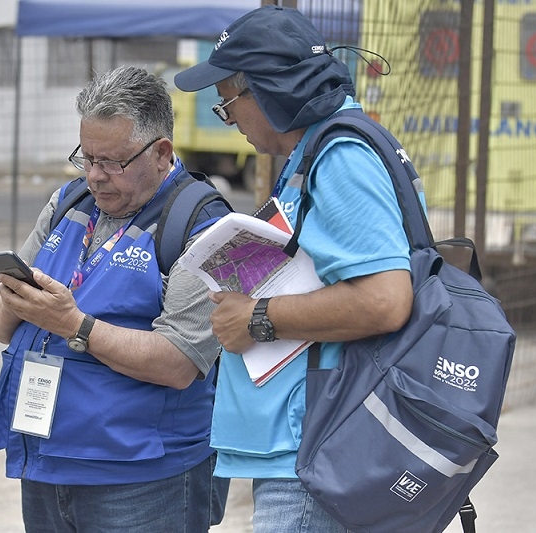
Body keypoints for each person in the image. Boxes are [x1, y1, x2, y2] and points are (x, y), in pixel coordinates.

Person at [174, 6, 416, 533]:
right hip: (309, 444)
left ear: (268, 89)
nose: (228, 116)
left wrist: (257, 317)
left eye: (228, 102)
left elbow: (384, 299)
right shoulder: (315, 154)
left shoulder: (340, 156)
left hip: (316, 449)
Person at [0, 65, 231, 533]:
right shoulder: (68, 203)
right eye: (86, 157)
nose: (95, 176)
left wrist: (75, 325)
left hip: (142, 479)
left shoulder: (202, 226)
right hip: (46, 461)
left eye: (113, 162)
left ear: (161, 153)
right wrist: (14, 301)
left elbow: (179, 361)